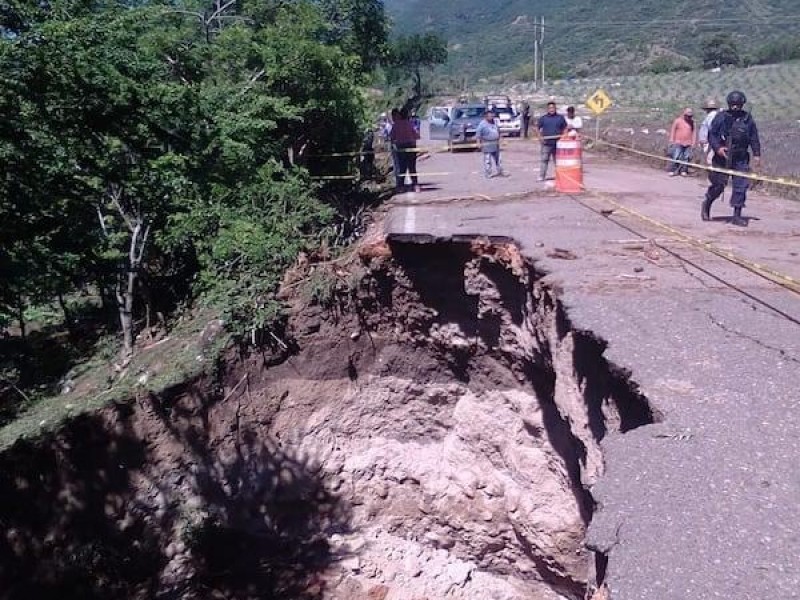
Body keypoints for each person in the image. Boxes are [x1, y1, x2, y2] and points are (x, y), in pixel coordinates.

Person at [702, 90, 762, 226]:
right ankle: (707, 204)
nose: (735, 107)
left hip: (741, 157)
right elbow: (712, 135)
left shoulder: (748, 119)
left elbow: (754, 137)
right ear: (729, 104)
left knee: (741, 186)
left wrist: (757, 155)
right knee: (718, 185)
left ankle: (737, 215)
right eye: (733, 104)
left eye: (738, 104)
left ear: (742, 104)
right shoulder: (721, 117)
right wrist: (718, 148)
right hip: (722, 157)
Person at [390, 107, 421, 193]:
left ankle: (401, 187)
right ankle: (415, 185)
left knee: (402, 168)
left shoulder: (396, 125)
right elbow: (417, 136)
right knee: (412, 167)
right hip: (411, 146)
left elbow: (392, 137)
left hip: (401, 148)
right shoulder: (409, 124)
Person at [537, 101, 567, 181]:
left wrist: (563, 137)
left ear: (555, 108)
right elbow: (537, 128)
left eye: (553, 108)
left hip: (558, 144)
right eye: (550, 108)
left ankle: (560, 176)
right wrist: (540, 137)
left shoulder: (560, 118)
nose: (551, 109)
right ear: (547, 109)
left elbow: (565, 128)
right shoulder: (543, 118)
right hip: (546, 143)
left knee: (558, 161)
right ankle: (541, 176)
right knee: (544, 160)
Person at [668, 107, 696, 176]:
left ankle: (684, 170)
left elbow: (694, 133)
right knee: (676, 156)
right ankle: (673, 170)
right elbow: (673, 130)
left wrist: (693, 143)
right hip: (678, 142)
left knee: (686, 158)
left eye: (690, 116)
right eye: (687, 116)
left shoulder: (692, 123)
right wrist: (671, 140)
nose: (689, 117)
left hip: (688, 143)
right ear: (684, 114)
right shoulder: (677, 121)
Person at [476, 109, 503, 178]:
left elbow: (498, 131)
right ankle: (488, 173)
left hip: (495, 144)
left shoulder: (495, 122)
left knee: (498, 159)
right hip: (486, 144)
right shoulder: (482, 124)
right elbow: (478, 134)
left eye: (492, 115)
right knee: (487, 160)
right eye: (490, 116)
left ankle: (500, 172)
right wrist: (478, 143)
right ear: (486, 116)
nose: (491, 117)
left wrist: (500, 138)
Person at [697, 97, 719, 165]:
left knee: (710, 160)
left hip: (710, 143)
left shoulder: (711, 116)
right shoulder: (715, 115)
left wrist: (707, 140)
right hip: (710, 142)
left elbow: (711, 129)